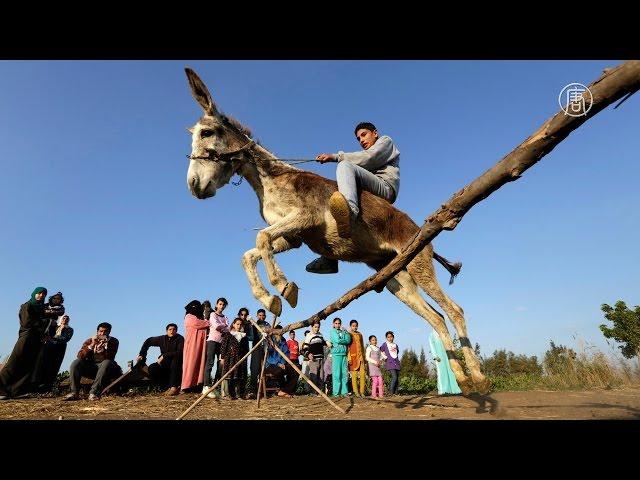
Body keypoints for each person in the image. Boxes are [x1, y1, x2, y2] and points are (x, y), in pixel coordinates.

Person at [307, 121, 400, 274]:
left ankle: (350, 213)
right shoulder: (363, 157)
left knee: (345, 166)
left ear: (375, 133)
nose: (361, 140)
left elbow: (370, 158)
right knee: (337, 192)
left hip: (385, 188)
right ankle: (329, 259)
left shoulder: (385, 142)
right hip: (371, 189)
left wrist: (335, 157)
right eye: (358, 138)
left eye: (364, 135)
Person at [0, 287, 59, 400]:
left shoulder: (42, 308)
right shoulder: (27, 306)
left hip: (37, 339)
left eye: (44, 294)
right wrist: (47, 320)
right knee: (14, 363)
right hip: (26, 336)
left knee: (28, 365)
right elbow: (27, 322)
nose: (41, 295)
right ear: (34, 294)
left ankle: (15, 391)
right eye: (39, 293)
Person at [65, 322, 122, 401]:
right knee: (76, 362)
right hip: (91, 367)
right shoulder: (89, 340)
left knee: (106, 363)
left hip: (106, 369)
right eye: (101, 331)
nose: (102, 333)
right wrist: (92, 345)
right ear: (97, 332)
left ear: (109, 332)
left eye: (105, 331)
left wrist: (105, 347)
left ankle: (94, 393)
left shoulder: (114, 341)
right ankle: (74, 392)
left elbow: (111, 357)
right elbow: (80, 356)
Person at [136, 323, 184, 396]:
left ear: (176, 331)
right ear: (166, 331)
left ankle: (173, 387)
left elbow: (180, 352)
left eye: (174, 330)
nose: (172, 331)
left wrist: (164, 355)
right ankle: (163, 388)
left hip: (176, 365)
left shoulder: (180, 338)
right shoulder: (162, 339)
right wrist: (142, 354)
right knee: (152, 368)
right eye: (170, 329)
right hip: (164, 364)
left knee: (176, 360)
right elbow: (148, 341)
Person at [31, 313, 74, 393]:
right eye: (64, 318)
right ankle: (36, 387)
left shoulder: (69, 329)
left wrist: (52, 338)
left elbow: (65, 338)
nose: (65, 320)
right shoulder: (53, 326)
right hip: (48, 348)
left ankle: (47, 388)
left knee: (54, 367)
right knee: (42, 365)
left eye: (67, 318)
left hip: (59, 349)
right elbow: (46, 335)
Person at [202, 297, 230, 397]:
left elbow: (228, 329)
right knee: (210, 363)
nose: (222, 306)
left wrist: (222, 327)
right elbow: (216, 326)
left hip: (222, 343)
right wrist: (224, 327)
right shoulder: (213, 314)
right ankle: (206, 386)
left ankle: (215, 385)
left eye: (223, 305)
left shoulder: (225, 317)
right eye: (220, 304)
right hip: (212, 341)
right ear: (217, 304)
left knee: (221, 364)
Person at [181, 300, 210, 393]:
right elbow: (197, 323)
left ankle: (197, 385)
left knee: (200, 364)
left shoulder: (201, 318)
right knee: (191, 363)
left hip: (201, 345)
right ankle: (187, 385)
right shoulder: (189, 317)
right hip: (192, 344)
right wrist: (207, 322)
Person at [219, 318, 249, 399]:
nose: (239, 326)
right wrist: (222, 358)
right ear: (233, 324)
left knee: (238, 375)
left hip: (240, 359)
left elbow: (246, 349)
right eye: (237, 324)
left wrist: (245, 358)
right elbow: (223, 347)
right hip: (229, 358)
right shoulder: (228, 335)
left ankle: (237, 394)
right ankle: (226, 394)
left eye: (240, 324)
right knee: (228, 375)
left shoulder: (244, 336)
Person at [264, 325, 298, 397]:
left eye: (281, 332)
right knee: (279, 370)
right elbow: (268, 357)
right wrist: (278, 363)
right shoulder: (269, 340)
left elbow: (286, 353)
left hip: (282, 363)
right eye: (278, 331)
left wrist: (283, 363)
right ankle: (283, 389)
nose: (280, 333)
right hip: (271, 364)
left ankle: (285, 390)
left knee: (296, 369)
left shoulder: (283, 341)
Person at [428, 329, 462, 395]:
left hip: (448, 356)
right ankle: (443, 390)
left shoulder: (444, 334)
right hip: (439, 357)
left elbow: (449, 344)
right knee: (442, 373)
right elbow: (432, 345)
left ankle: (454, 389)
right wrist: (435, 356)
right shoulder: (432, 335)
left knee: (451, 372)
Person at [301, 321, 327, 394]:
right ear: (312, 327)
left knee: (321, 376)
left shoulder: (320, 335)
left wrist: (327, 342)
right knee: (314, 375)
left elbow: (324, 342)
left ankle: (320, 392)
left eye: (318, 327)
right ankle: (313, 392)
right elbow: (305, 347)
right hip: (313, 359)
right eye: (315, 327)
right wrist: (308, 354)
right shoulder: (309, 335)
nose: (317, 328)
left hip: (321, 358)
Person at [248, 308, 269, 397]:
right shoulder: (254, 324)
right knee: (254, 369)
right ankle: (253, 390)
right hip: (256, 348)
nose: (261, 317)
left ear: (265, 316)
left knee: (263, 369)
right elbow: (251, 337)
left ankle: (262, 390)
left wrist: (268, 334)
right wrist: (252, 326)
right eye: (259, 315)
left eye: (263, 315)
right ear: (257, 316)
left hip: (265, 348)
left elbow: (271, 335)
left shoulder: (268, 325)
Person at [329, 317, 351, 397]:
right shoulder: (332, 331)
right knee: (337, 374)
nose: (337, 325)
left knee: (344, 374)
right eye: (336, 323)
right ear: (333, 324)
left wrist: (344, 338)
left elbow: (349, 340)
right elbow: (337, 340)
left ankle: (344, 392)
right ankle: (336, 393)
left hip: (344, 354)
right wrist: (344, 340)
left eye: (339, 323)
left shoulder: (344, 332)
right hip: (336, 354)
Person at [347, 319, 366, 397]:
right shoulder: (348, 334)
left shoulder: (360, 334)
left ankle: (362, 392)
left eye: (356, 326)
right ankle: (355, 392)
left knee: (362, 374)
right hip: (353, 357)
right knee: (354, 375)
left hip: (361, 357)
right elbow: (347, 347)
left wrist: (364, 358)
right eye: (353, 326)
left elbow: (362, 346)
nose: (355, 327)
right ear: (350, 326)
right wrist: (349, 357)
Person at [379, 331, 401, 396]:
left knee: (397, 378)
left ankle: (396, 392)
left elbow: (397, 352)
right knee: (394, 377)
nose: (390, 338)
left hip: (396, 363)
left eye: (391, 337)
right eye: (388, 337)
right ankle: (391, 392)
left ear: (393, 337)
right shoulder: (385, 344)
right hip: (390, 363)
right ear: (386, 338)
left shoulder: (395, 345)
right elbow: (380, 351)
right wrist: (385, 357)